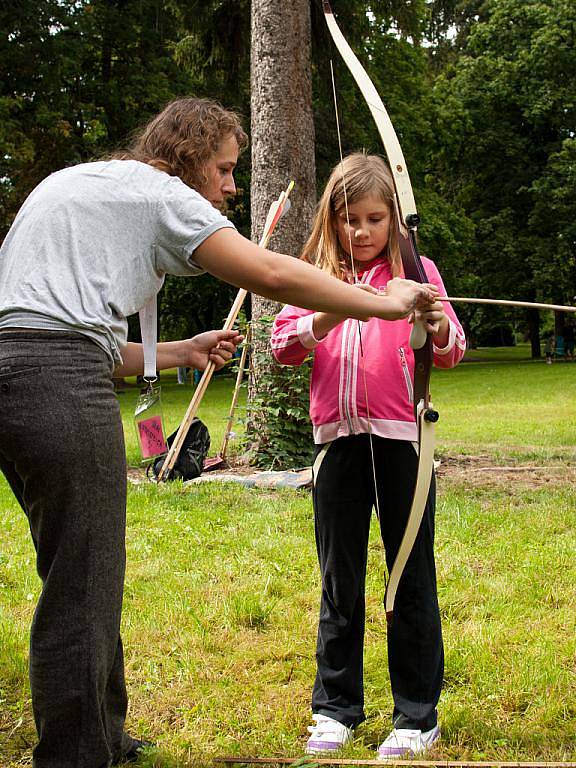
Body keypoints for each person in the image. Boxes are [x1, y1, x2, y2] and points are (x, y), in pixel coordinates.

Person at [0, 101, 437, 768]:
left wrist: (182, 350)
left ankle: (104, 734)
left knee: (79, 570)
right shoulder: (162, 191)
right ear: (193, 157)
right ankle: (78, 754)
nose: (231, 186)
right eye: (226, 168)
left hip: (20, 374)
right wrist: (384, 302)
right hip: (54, 380)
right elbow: (269, 272)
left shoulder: (80, 182)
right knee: (83, 583)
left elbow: (73, 337)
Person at [270, 153, 466, 761]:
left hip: (404, 441)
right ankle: (335, 709)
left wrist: (432, 319)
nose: (360, 232)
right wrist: (339, 302)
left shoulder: (416, 269)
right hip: (338, 441)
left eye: (374, 218)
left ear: (395, 221)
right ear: (331, 219)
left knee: (409, 573)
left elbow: (454, 349)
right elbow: (282, 345)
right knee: (340, 577)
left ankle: (416, 715)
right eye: (348, 218)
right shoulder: (314, 272)